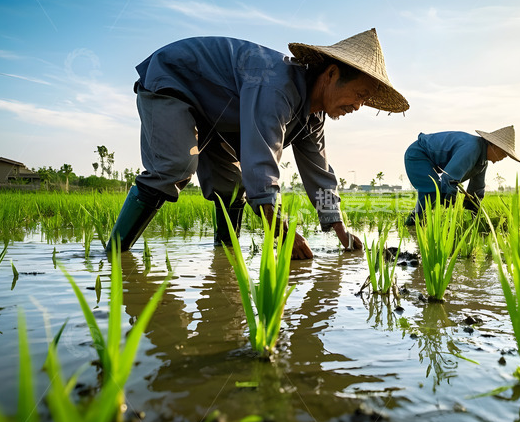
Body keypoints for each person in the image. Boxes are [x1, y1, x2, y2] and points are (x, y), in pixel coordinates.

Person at [107, 28, 409, 259]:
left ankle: (224, 259)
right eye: (359, 94)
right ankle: (114, 256)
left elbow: (320, 177)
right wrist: (282, 233)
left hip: (217, 116)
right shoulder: (278, 86)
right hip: (175, 81)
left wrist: (342, 233)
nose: (359, 106)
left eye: (366, 101)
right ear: (332, 74)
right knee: (176, 164)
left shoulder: (313, 118)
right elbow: (260, 160)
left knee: (231, 186)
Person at [403, 126, 520, 223]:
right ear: (494, 146)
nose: (504, 157)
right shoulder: (472, 148)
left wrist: (475, 212)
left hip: (431, 160)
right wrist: (450, 203)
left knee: (436, 196)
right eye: (504, 153)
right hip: (419, 154)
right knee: (431, 194)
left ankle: (423, 224)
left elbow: (476, 189)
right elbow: (449, 178)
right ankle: (412, 225)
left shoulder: (482, 162)